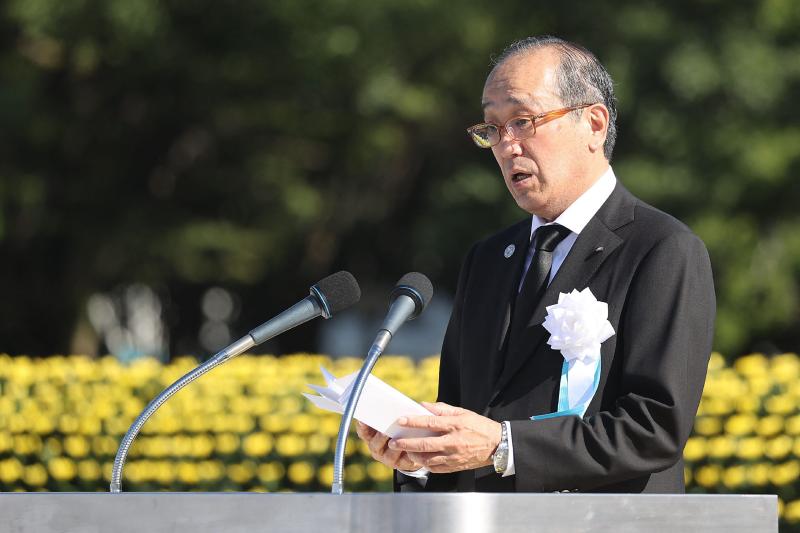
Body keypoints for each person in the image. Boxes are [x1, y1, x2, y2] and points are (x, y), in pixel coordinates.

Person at [356, 35, 715, 493]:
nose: (506, 146)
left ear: (595, 123)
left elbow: (652, 429)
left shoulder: (661, 248)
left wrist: (505, 446)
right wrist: (419, 457)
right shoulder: (487, 259)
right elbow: (466, 421)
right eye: (492, 128)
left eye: (523, 121)